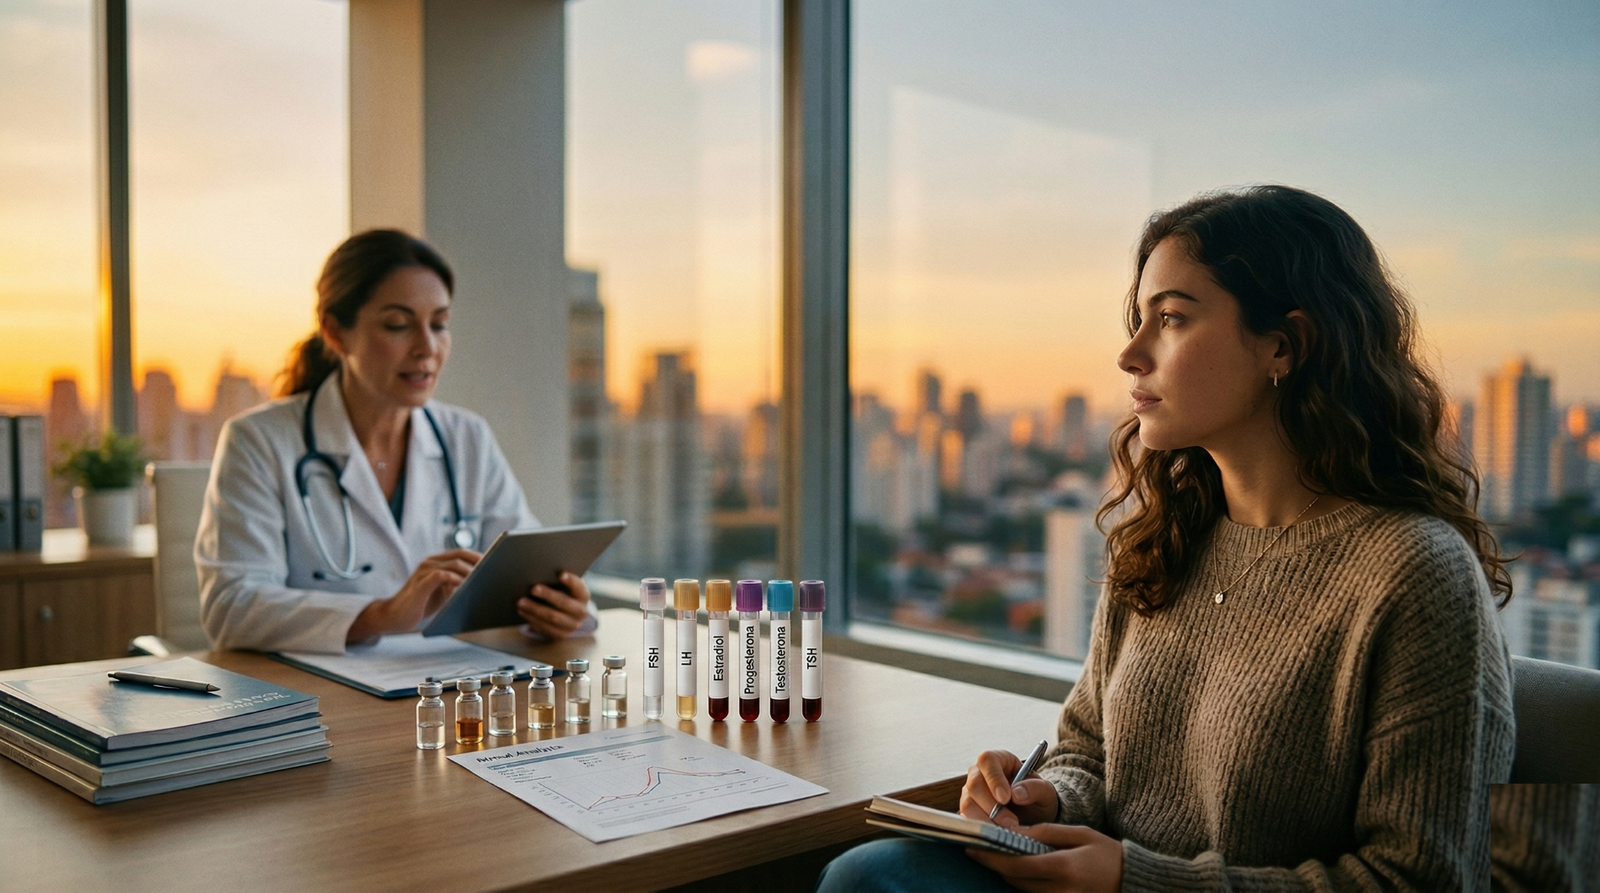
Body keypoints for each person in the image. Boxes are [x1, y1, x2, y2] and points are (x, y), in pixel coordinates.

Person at [817, 186, 1515, 892]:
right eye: (1139, 319)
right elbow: (1088, 746)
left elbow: (1424, 878)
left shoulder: (1414, 574)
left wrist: (1137, 879)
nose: (1130, 353)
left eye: (1172, 318)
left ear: (1285, 344)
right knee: (871, 874)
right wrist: (1047, 796)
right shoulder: (1166, 533)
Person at [195, 229, 596, 653]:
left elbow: (525, 566)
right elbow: (230, 607)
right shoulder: (259, 442)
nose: (427, 347)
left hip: (446, 691)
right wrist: (382, 614)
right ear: (335, 331)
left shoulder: (467, 438)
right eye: (398, 325)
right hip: (321, 700)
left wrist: (562, 608)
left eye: (439, 324)